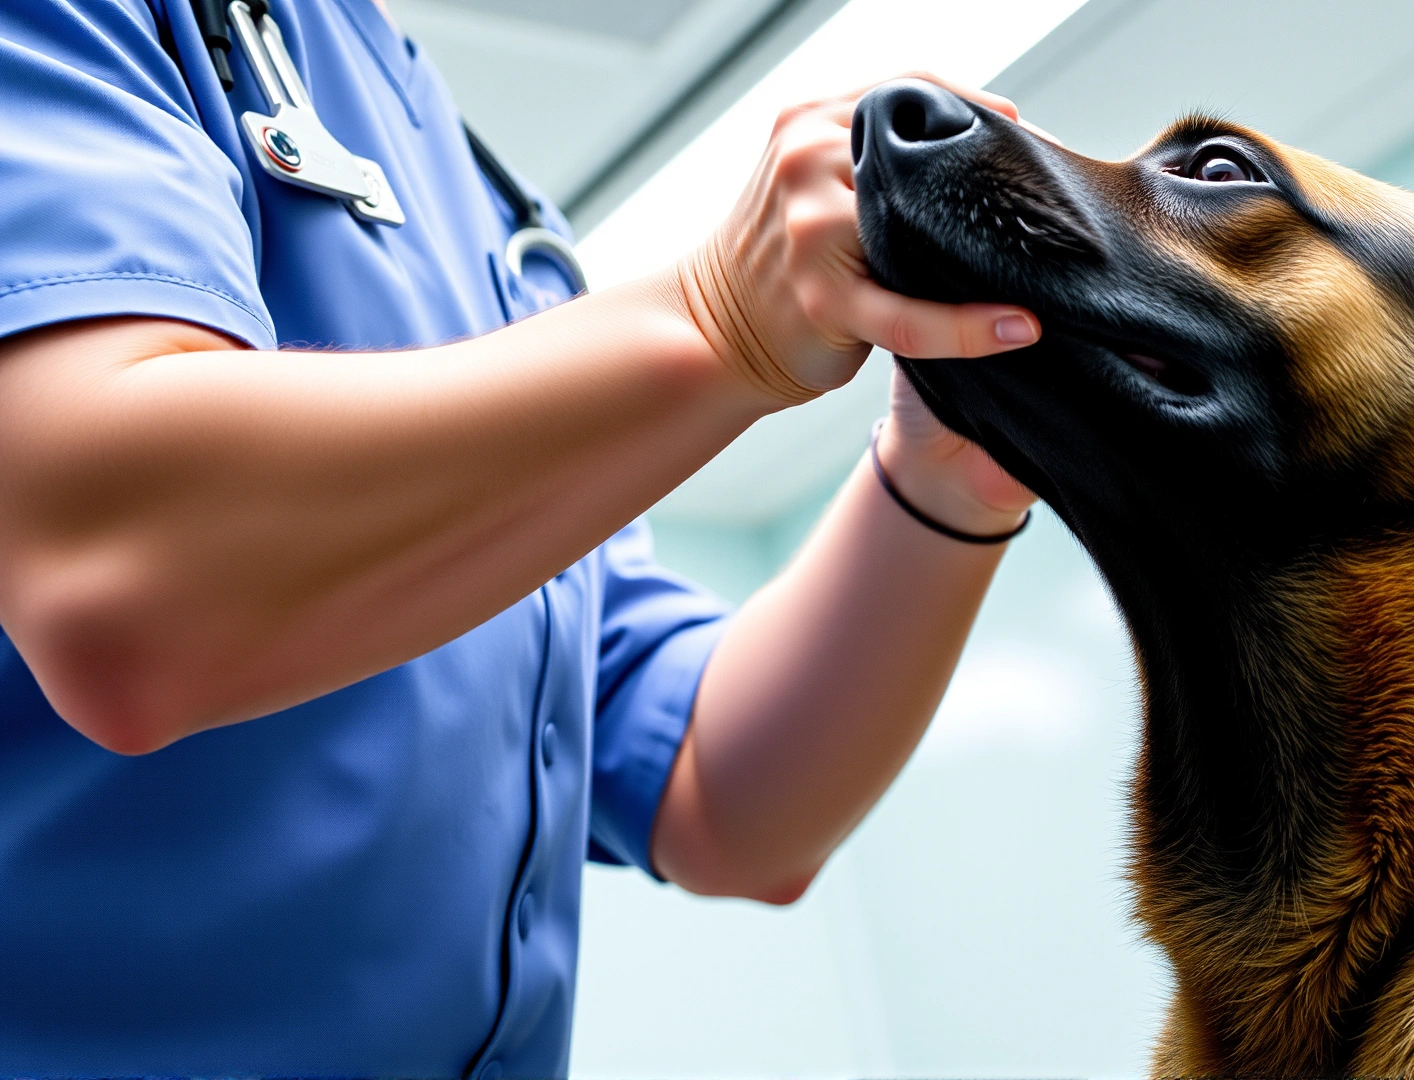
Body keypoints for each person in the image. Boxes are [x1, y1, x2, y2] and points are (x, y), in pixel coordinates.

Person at [0, 1, 1041, 1075]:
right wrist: (718, 321)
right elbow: (125, 590)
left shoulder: (496, 211)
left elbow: (720, 797)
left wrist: (950, 471)